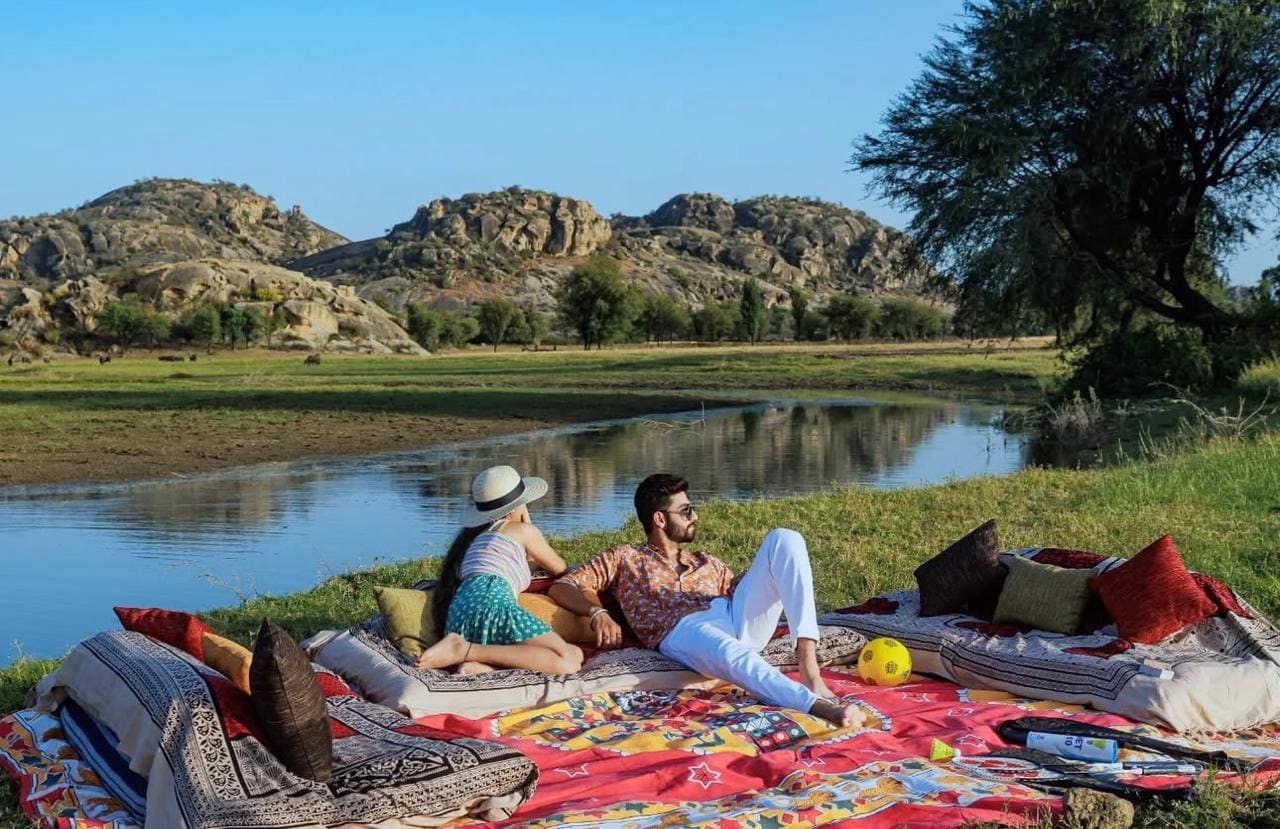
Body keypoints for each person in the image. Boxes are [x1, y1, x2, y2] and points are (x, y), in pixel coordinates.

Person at [549, 473, 863, 727]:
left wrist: (772, 573)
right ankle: (817, 706)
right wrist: (596, 612)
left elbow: (740, 590)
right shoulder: (625, 559)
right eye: (686, 511)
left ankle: (810, 668)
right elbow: (562, 586)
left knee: (785, 538)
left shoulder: (705, 561)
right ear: (659, 519)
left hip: (732, 614)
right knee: (729, 651)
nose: (695, 516)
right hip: (681, 629)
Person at [416, 465, 584, 675]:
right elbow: (560, 569)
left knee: (573, 653)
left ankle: (481, 666)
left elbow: (522, 562)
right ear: (516, 507)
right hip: (494, 607)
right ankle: (466, 650)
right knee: (569, 659)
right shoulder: (523, 531)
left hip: (459, 616)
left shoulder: (475, 540)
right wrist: (529, 524)